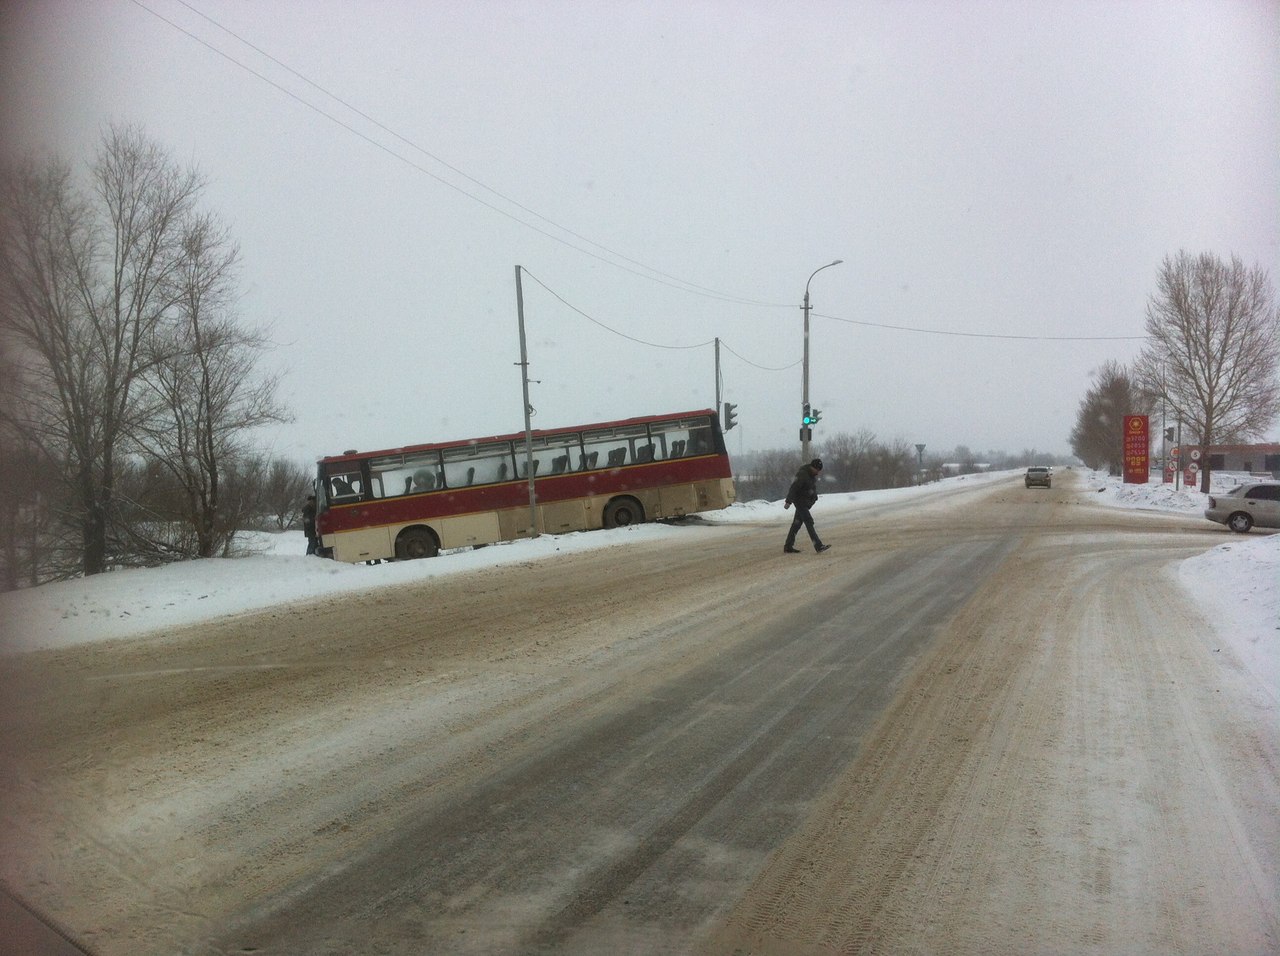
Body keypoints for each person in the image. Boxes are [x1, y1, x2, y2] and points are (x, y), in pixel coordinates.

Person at [783, 458, 831, 554]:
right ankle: (818, 545)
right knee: (809, 521)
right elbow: (794, 488)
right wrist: (788, 501)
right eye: (817, 470)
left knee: (796, 524)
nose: (818, 472)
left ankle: (788, 546)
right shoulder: (802, 474)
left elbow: (811, 488)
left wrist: (814, 497)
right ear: (812, 467)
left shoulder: (811, 475)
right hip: (799, 501)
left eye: (819, 471)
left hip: (804, 502)